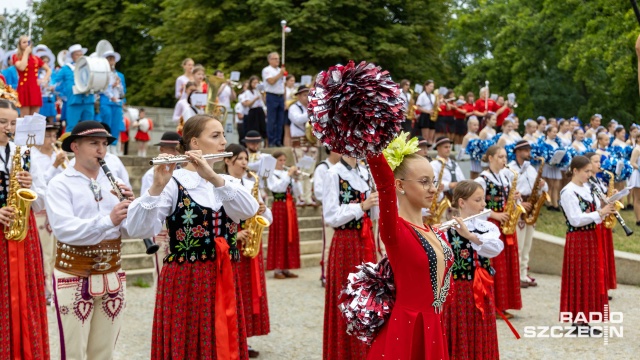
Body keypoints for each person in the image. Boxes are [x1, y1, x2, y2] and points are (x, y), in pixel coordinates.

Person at [126, 114, 259, 358]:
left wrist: (212, 177)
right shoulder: (173, 182)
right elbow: (138, 229)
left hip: (223, 276)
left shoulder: (226, 182)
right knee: (187, 343)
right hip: (186, 280)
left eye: (223, 135)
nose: (223, 142)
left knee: (222, 340)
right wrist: (156, 186)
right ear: (195, 143)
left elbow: (248, 211)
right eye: (215, 135)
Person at [45, 120, 133, 359]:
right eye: (93, 143)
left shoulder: (114, 183)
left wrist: (133, 209)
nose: (101, 150)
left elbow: (130, 230)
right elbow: (65, 230)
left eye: (104, 144)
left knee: (104, 352)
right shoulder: (60, 184)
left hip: (112, 272)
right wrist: (110, 219)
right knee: (74, 352)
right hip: (74, 273)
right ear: (75, 146)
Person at [364, 133, 453, 359]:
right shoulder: (395, 231)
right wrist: (369, 136)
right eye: (424, 182)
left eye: (433, 181)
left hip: (435, 326)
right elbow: (384, 184)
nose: (433, 188)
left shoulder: (433, 230)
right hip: (407, 329)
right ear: (400, 185)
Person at [0, 97, 50, 359]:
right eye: (2, 122)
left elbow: (42, 199)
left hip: (23, 230)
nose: (7, 127)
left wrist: (30, 185)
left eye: (12, 123)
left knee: (26, 295)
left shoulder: (26, 153)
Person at [322, 153, 379, 360]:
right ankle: (343, 353)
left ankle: (365, 352)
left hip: (366, 241)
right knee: (347, 298)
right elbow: (331, 215)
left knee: (368, 299)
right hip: (346, 242)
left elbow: (374, 214)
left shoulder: (365, 173)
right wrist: (361, 206)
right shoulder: (333, 174)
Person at [443, 180, 503, 360]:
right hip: (458, 290)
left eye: (483, 199)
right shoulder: (447, 230)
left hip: (482, 288)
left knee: (482, 329)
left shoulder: (488, 228)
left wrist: (470, 236)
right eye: (478, 200)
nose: (484, 204)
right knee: (459, 330)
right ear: (462, 203)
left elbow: (495, 248)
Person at [224, 143, 272, 358]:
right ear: (227, 160)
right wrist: (233, 236)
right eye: (240, 159)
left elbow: (268, 218)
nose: (244, 163)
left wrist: (262, 209)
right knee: (234, 293)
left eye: (245, 159)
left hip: (251, 243)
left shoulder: (252, 182)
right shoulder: (220, 183)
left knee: (250, 291)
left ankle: (245, 337)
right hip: (232, 244)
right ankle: (231, 337)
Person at [559, 156, 615, 335]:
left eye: (591, 171)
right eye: (586, 172)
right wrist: (600, 212)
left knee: (590, 277)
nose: (590, 175)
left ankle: (586, 320)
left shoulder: (589, 188)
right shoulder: (568, 192)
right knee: (579, 278)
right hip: (578, 239)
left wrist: (607, 205)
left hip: (592, 237)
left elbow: (598, 209)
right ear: (575, 171)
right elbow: (575, 220)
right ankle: (577, 322)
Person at [475, 145, 522, 319]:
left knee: (508, 262)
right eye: (501, 157)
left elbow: (509, 198)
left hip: (506, 222)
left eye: (505, 156)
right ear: (490, 158)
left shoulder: (505, 177)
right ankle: (494, 305)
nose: (504, 160)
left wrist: (516, 198)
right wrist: (495, 214)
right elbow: (478, 206)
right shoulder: (482, 180)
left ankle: (506, 303)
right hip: (492, 223)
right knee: (496, 263)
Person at [31, 120, 68, 303]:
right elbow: (41, 184)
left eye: (54, 135)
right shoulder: (33, 156)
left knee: (56, 252)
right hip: (42, 210)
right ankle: (46, 289)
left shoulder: (57, 154)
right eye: (48, 135)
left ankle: (56, 286)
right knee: (44, 251)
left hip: (58, 208)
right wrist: (54, 166)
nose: (52, 139)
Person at [140, 131, 182, 287]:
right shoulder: (150, 175)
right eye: (171, 149)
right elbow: (147, 203)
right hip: (162, 229)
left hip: (182, 226)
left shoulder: (184, 172)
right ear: (162, 150)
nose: (175, 153)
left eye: (177, 149)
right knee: (163, 274)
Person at [504, 140, 548, 288]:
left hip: (531, 205)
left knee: (527, 244)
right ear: (518, 152)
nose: (529, 153)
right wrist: (519, 205)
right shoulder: (509, 169)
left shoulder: (531, 169)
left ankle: (524, 273)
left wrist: (543, 185)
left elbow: (543, 187)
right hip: (520, 206)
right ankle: (517, 275)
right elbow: (507, 192)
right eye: (526, 151)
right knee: (519, 245)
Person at [586, 152, 618, 299]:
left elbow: (604, 198)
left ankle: (603, 286)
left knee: (604, 255)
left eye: (599, 162)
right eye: (596, 162)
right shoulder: (587, 183)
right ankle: (596, 288)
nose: (599, 164)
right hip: (595, 222)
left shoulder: (598, 181)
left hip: (604, 221)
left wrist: (615, 196)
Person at [266, 151, 301, 278]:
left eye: (284, 160)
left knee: (289, 235)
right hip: (279, 206)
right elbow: (277, 188)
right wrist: (289, 175)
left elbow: (298, 192)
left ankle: (287, 267)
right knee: (279, 235)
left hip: (290, 206)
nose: (282, 163)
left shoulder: (288, 175)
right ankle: (277, 269)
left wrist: (296, 179)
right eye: (280, 160)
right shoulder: (271, 174)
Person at [313, 147, 341, 285]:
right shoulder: (322, 168)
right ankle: (325, 274)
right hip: (330, 209)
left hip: (343, 211)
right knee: (328, 243)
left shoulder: (344, 168)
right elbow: (318, 191)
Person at [56, 44, 93, 132]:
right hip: (74, 101)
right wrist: (63, 95)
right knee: (71, 127)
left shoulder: (90, 66)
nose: (80, 56)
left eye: (81, 54)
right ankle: (68, 145)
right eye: (77, 54)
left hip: (88, 100)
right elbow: (55, 82)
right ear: (72, 56)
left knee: (89, 128)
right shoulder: (66, 68)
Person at [13, 35, 52, 115]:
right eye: (24, 42)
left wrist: (43, 80)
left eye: (28, 42)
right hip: (24, 87)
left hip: (34, 87)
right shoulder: (16, 57)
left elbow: (48, 70)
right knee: (25, 117)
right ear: (20, 45)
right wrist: (26, 53)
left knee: (34, 116)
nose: (27, 44)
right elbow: (22, 67)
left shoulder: (36, 58)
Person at [99, 50, 126, 153]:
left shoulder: (120, 75)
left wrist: (119, 86)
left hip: (117, 102)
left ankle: (114, 146)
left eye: (113, 59)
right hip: (106, 101)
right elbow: (101, 87)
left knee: (116, 123)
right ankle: (106, 145)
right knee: (107, 123)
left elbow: (123, 91)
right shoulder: (103, 73)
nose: (112, 62)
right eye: (109, 59)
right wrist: (112, 86)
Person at [430, 136, 465, 204]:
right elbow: (434, 183)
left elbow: (462, 179)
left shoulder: (454, 163)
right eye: (446, 147)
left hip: (458, 197)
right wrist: (449, 185)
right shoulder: (434, 164)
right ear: (438, 148)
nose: (448, 149)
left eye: (449, 147)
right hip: (443, 198)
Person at [262, 52, 286, 147]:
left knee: (280, 120)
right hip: (271, 95)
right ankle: (271, 141)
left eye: (278, 59)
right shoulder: (267, 70)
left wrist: (284, 100)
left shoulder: (280, 70)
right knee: (272, 120)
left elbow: (283, 85)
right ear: (270, 60)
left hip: (280, 96)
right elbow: (271, 81)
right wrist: (280, 74)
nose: (277, 61)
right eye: (275, 59)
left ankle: (278, 140)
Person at [541, 125, 563, 211]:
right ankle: (548, 202)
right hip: (548, 166)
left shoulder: (556, 143)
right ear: (548, 132)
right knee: (549, 185)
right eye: (553, 132)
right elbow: (544, 155)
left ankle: (555, 203)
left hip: (555, 166)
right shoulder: (545, 143)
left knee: (556, 185)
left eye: (556, 132)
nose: (555, 134)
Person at [242, 76, 267, 145]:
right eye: (254, 82)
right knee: (254, 127)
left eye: (257, 82)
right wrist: (255, 98)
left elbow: (264, 102)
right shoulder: (248, 92)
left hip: (260, 110)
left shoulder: (259, 91)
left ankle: (263, 143)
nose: (255, 84)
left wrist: (263, 95)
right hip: (253, 111)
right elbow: (248, 104)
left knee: (262, 127)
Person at [630, 134, 640, 226]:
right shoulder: (637, 149)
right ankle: (638, 219)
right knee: (637, 198)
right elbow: (632, 162)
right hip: (638, 174)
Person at [283, 74, 296, 147]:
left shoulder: (294, 89)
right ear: (287, 81)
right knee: (287, 131)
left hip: (294, 110)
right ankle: (287, 147)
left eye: (293, 81)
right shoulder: (284, 89)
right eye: (291, 80)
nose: (292, 82)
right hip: (287, 110)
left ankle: (293, 145)